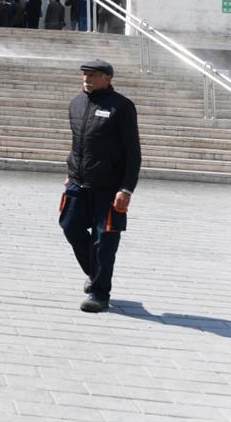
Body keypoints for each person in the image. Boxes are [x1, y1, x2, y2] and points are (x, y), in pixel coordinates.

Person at [59, 59, 140, 313]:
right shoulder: (76, 103)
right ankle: (95, 273)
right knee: (70, 226)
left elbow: (133, 152)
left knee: (104, 241)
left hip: (109, 187)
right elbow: (78, 144)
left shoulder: (122, 107)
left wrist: (126, 189)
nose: (87, 78)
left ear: (108, 78)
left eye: (93, 74)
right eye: (84, 74)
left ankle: (99, 293)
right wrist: (70, 172)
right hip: (77, 182)